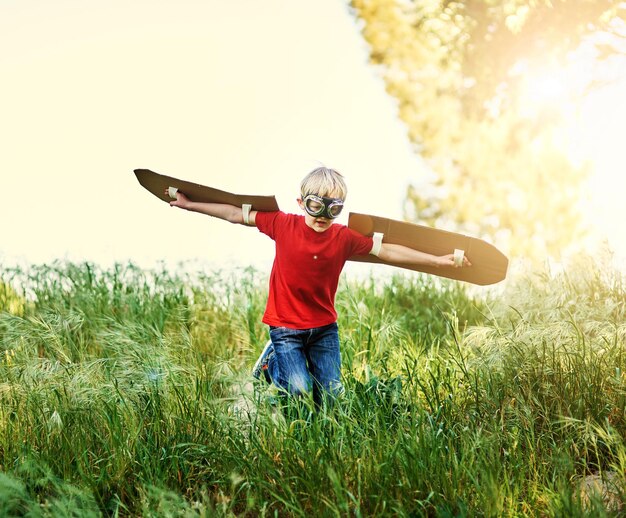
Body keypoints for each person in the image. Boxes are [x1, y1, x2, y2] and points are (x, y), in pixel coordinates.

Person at [167, 166, 469, 407]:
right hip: (285, 328)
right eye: (315, 205)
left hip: (324, 328)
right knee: (298, 391)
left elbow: (389, 251)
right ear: (302, 203)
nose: (323, 216)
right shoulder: (282, 224)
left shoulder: (343, 238)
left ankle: (291, 372)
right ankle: (271, 365)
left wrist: (439, 261)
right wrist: (190, 204)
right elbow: (234, 214)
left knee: (332, 399)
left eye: (333, 209)